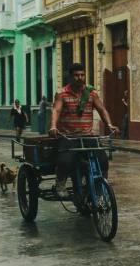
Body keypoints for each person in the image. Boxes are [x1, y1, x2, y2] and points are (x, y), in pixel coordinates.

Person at [48, 63, 118, 200]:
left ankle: (100, 190)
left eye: (82, 75)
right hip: (68, 137)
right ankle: (60, 185)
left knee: (103, 161)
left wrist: (110, 124)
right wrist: (53, 126)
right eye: (76, 75)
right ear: (70, 76)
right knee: (64, 161)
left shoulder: (90, 93)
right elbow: (56, 110)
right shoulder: (62, 93)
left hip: (88, 136)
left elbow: (102, 110)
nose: (80, 78)